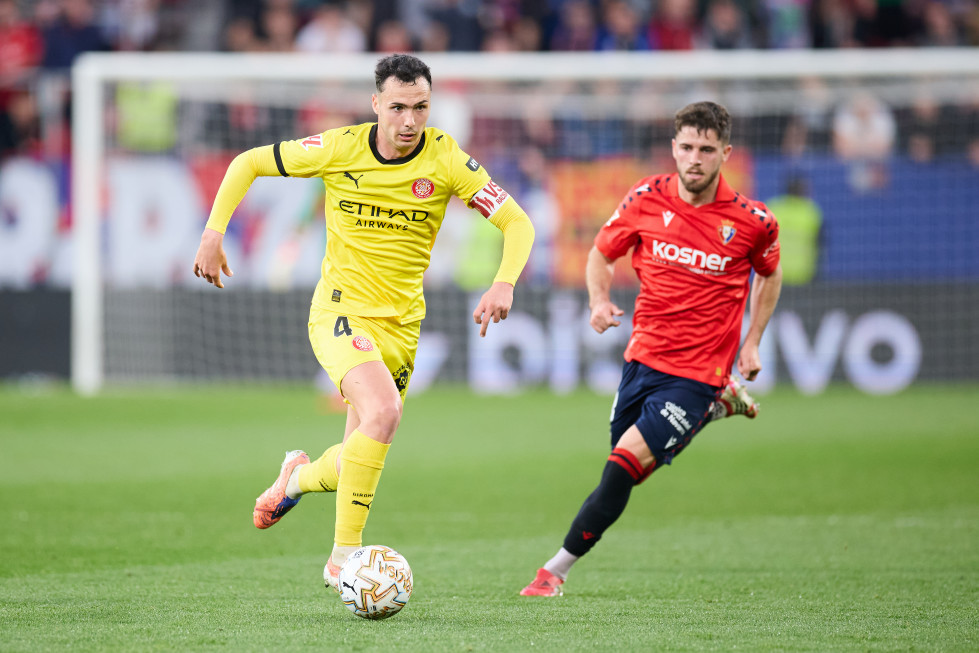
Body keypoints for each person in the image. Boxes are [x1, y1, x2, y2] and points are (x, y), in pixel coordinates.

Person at [193, 54, 534, 592]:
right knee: (385, 411)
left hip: (403, 327)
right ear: (377, 104)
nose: (409, 121)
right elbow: (247, 162)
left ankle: (297, 479)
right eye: (397, 107)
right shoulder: (340, 147)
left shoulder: (448, 159)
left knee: (364, 444)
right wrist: (214, 233)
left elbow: (517, 222)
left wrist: (504, 281)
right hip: (339, 310)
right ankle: (342, 560)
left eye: (420, 107)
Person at [519, 101, 782, 597]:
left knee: (621, 465)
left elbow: (771, 274)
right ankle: (719, 406)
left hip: (699, 371)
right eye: (686, 147)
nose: (695, 159)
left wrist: (752, 342)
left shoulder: (753, 221)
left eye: (707, 149)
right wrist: (598, 301)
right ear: (673, 148)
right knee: (628, 467)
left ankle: (553, 572)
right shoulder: (645, 198)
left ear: (725, 153)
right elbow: (601, 252)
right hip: (642, 359)